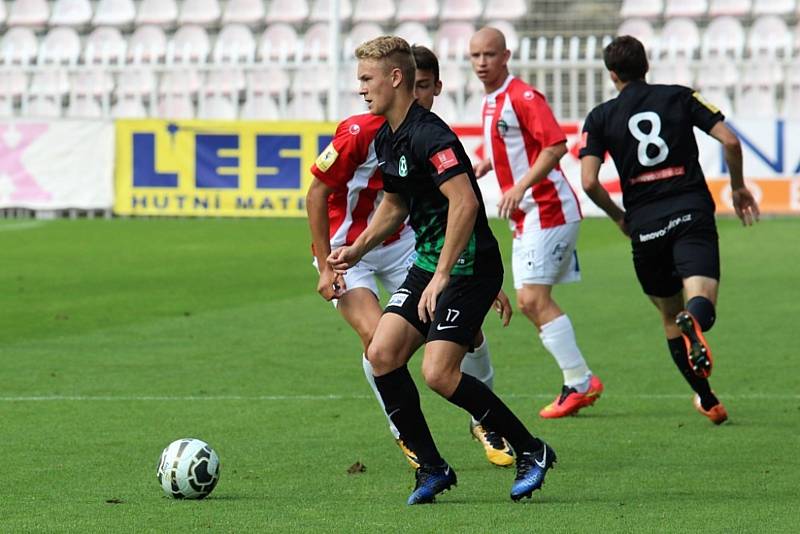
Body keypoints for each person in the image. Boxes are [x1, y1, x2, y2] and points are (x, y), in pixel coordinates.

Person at [328, 36, 556, 505]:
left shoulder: (431, 134)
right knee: (383, 354)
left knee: (438, 372)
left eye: (367, 79)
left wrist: (442, 275)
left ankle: (532, 449)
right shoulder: (389, 137)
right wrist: (357, 248)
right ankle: (432, 468)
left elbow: (465, 201)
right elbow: (394, 205)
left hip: (469, 269)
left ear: (396, 78)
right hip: (431, 264)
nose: (361, 89)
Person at [306, 45, 515, 468]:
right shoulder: (360, 133)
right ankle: (407, 435)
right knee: (379, 343)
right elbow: (316, 192)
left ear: (434, 88)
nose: (418, 96)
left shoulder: (423, 134)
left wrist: (471, 279)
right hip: (353, 251)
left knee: (466, 331)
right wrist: (327, 260)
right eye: (413, 86)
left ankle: (485, 421)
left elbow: (446, 208)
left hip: (405, 244)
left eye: (426, 87)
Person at [579, 35, 760, 424]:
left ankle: (707, 398)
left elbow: (590, 181)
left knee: (668, 318)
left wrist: (618, 216)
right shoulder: (680, 96)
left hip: (645, 226)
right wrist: (738, 186)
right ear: (646, 65)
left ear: (612, 74)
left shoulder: (600, 116)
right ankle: (694, 323)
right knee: (701, 305)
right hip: (690, 212)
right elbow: (729, 140)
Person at [469, 27, 604, 418]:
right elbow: (513, 145)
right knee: (531, 300)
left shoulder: (522, 96)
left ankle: (580, 381)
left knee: (530, 299)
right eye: (475, 56)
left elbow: (555, 145)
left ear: (506, 56)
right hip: (528, 214)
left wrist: (519, 186)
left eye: (489, 55)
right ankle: (579, 379)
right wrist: (489, 164)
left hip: (548, 209)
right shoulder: (492, 100)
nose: (482, 63)